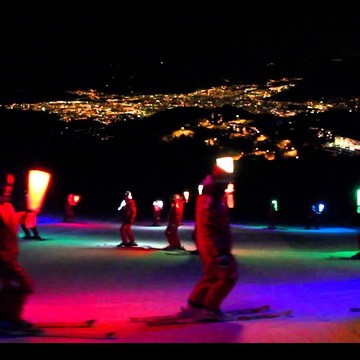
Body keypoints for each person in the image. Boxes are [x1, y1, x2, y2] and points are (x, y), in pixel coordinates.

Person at [179, 170, 239, 321]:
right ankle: (210, 309)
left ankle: (195, 305)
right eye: (225, 182)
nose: (227, 185)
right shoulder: (211, 200)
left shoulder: (211, 198)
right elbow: (208, 227)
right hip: (216, 246)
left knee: (212, 275)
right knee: (228, 276)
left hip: (212, 246)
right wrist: (218, 251)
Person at [0, 169, 42, 335]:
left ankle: (8, 318)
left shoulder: (7, 206)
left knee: (11, 288)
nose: (8, 188)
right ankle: (8, 319)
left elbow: (11, 222)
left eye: (10, 184)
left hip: (9, 258)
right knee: (22, 285)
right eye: (5, 184)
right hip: (3, 260)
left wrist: (25, 215)